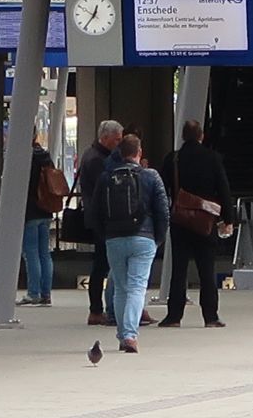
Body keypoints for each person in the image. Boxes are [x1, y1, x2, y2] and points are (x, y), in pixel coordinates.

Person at [87, 134, 170, 354]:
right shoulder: (151, 176)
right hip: (144, 238)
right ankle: (130, 335)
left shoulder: (106, 177)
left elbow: (94, 213)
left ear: (120, 153)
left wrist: (106, 235)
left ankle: (123, 333)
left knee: (121, 288)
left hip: (114, 239)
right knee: (137, 287)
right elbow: (163, 211)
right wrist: (157, 238)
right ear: (139, 153)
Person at [158, 120, 236, 328]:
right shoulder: (212, 158)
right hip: (205, 221)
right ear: (201, 136)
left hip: (180, 221)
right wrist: (228, 219)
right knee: (206, 269)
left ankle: (174, 316)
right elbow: (224, 189)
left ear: (183, 136)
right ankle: (210, 316)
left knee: (179, 269)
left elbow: (162, 188)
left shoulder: (172, 159)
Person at [78, 119, 129, 327]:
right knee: (102, 265)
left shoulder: (94, 155)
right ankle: (98, 309)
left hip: (97, 216)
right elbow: (106, 188)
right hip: (102, 218)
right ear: (105, 138)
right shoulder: (98, 160)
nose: (119, 143)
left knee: (102, 264)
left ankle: (99, 309)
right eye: (117, 139)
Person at [18, 135, 56, 306]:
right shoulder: (45, 156)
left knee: (30, 252)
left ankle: (34, 292)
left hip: (29, 210)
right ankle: (46, 293)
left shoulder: (23, 157)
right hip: (46, 208)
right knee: (44, 253)